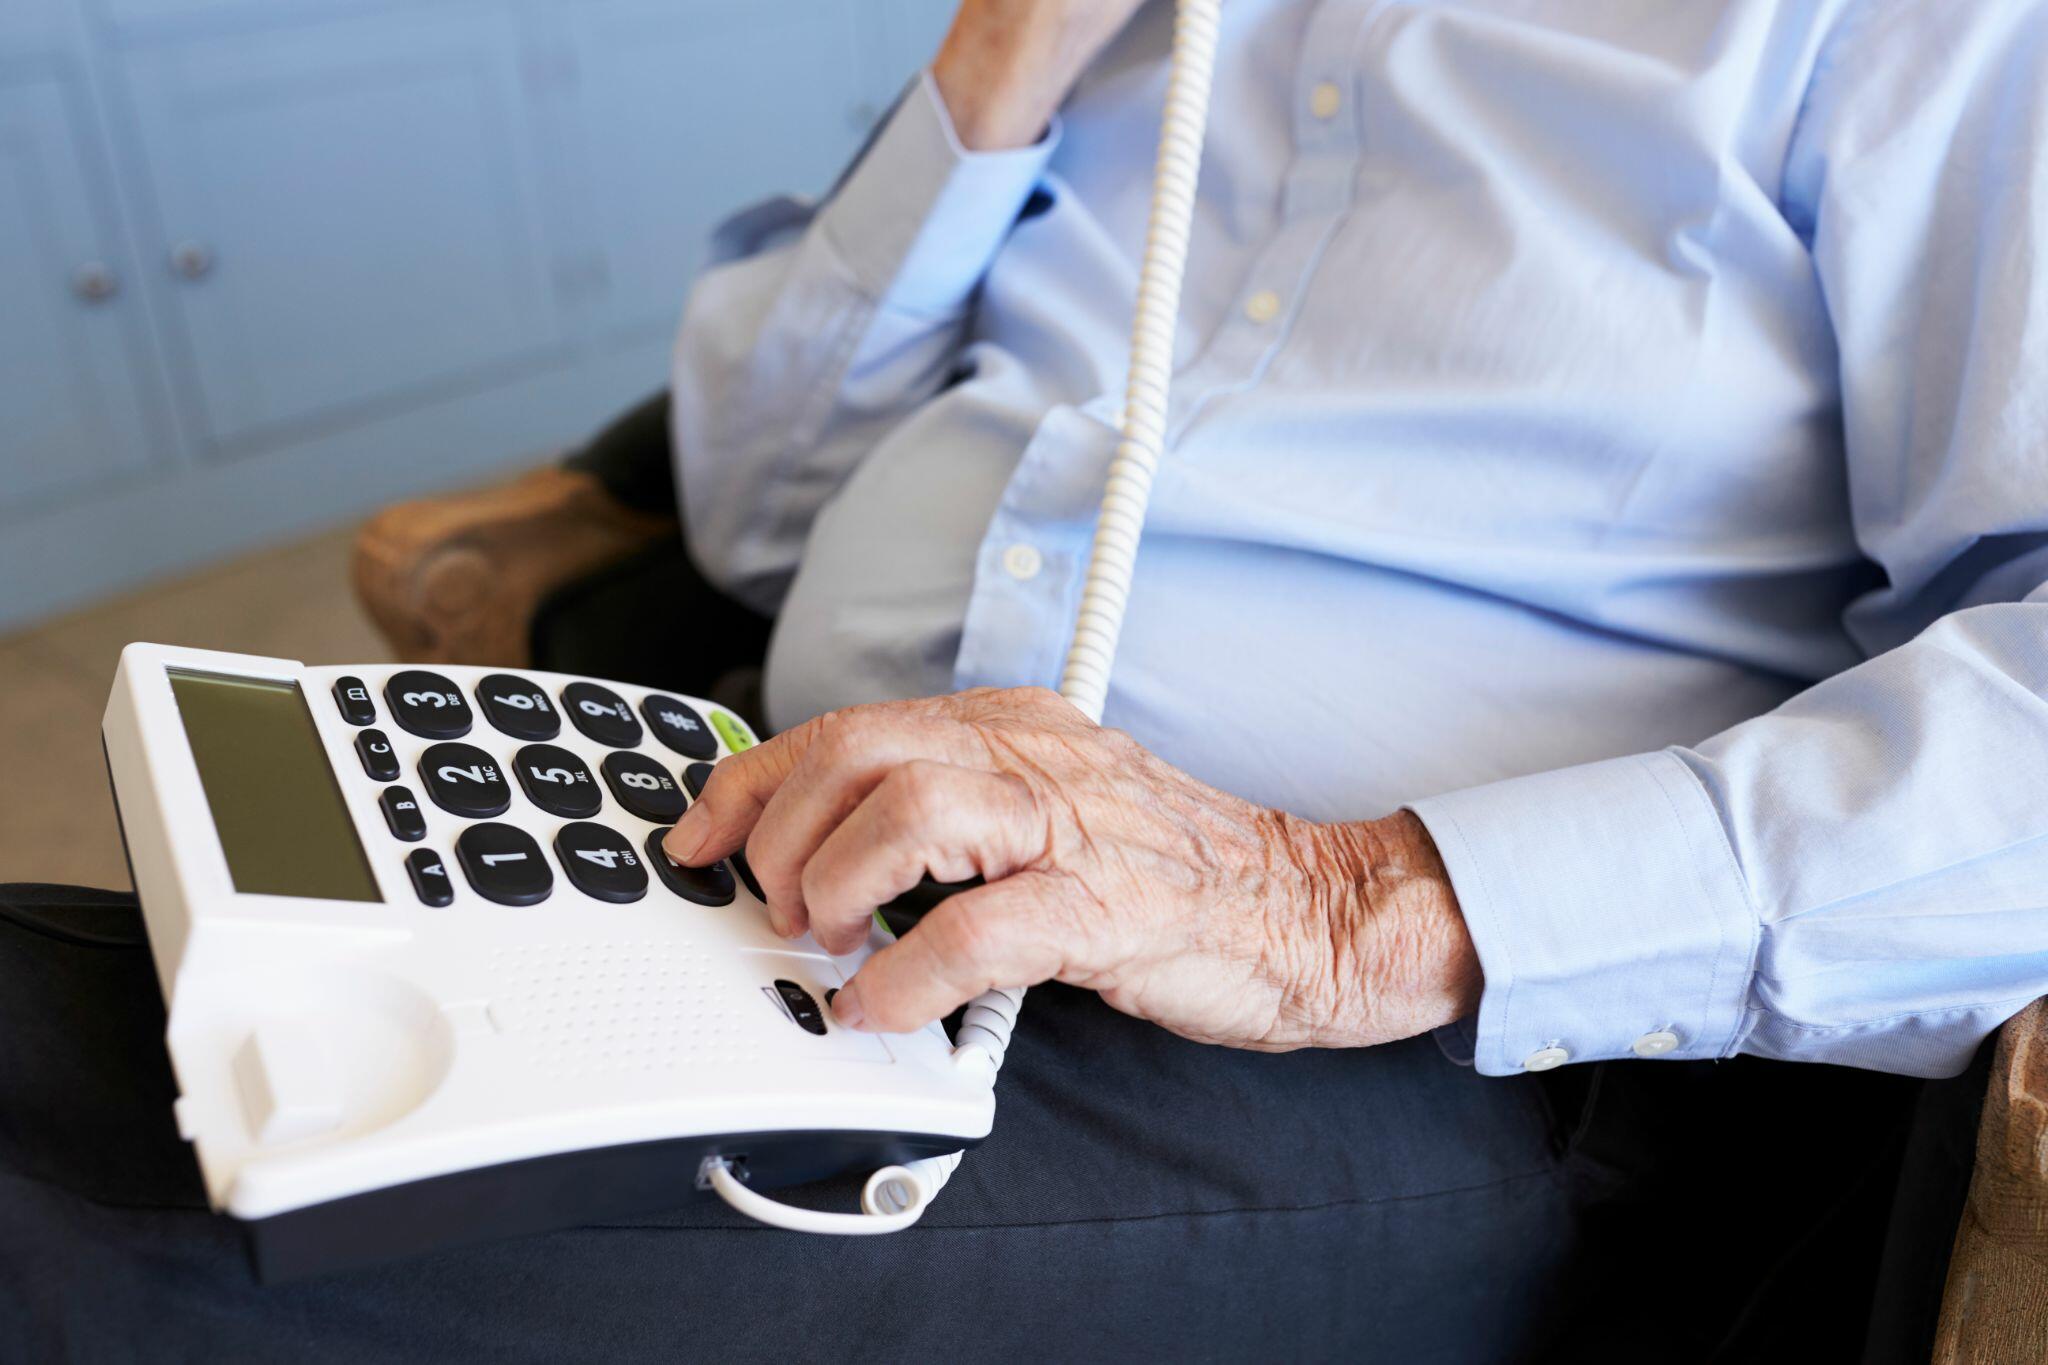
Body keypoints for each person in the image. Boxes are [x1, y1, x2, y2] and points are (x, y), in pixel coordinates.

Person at [7, 0, 2044, 1357]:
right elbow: (747, 500)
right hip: (806, 809)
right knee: (126, 1033)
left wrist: (1325, 904)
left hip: (1387, 1035)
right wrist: (996, 66)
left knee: (91, 1220)